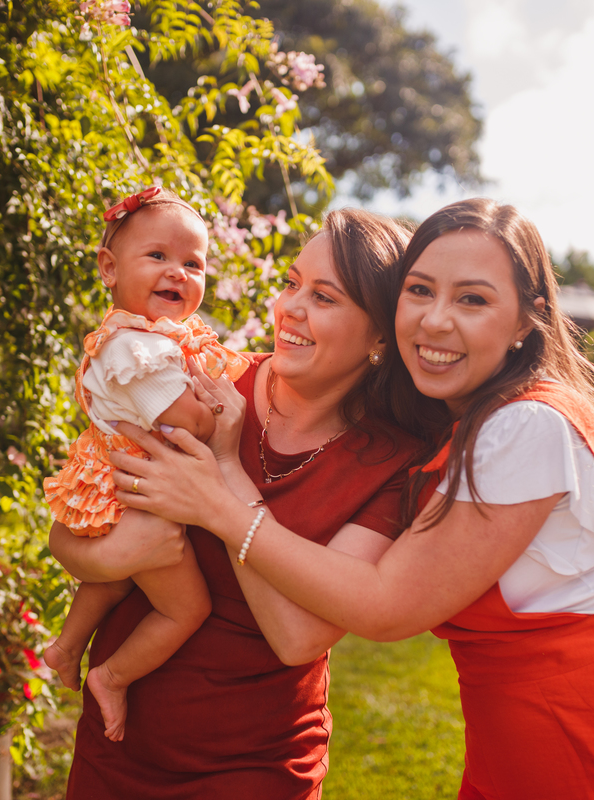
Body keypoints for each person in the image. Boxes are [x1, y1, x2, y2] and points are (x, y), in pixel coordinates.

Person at [109, 198, 594, 800]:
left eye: (473, 300)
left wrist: (223, 504)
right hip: (521, 738)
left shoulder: (525, 425)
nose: (435, 319)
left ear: (527, 321)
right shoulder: (463, 429)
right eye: (420, 290)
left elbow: (384, 604)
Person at [49, 209, 438, 798]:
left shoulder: (394, 463)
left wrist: (224, 479)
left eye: (324, 297)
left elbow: (297, 638)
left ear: (382, 335)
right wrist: (111, 558)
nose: (290, 308)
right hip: (118, 746)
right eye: (291, 283)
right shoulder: (202, 386)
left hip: (255, 765)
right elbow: (70, 531)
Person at [41, 186, 251, 741]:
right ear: (110, 269)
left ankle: (66, 647)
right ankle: (111, 677)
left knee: (114, 582)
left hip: (130, 489)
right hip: (138, 501)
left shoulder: (154, 340)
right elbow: (193, 423)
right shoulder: (134, 351)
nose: (177, 272)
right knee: (186, 610)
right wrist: (220, 412)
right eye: (157, 256)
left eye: (193, 264)